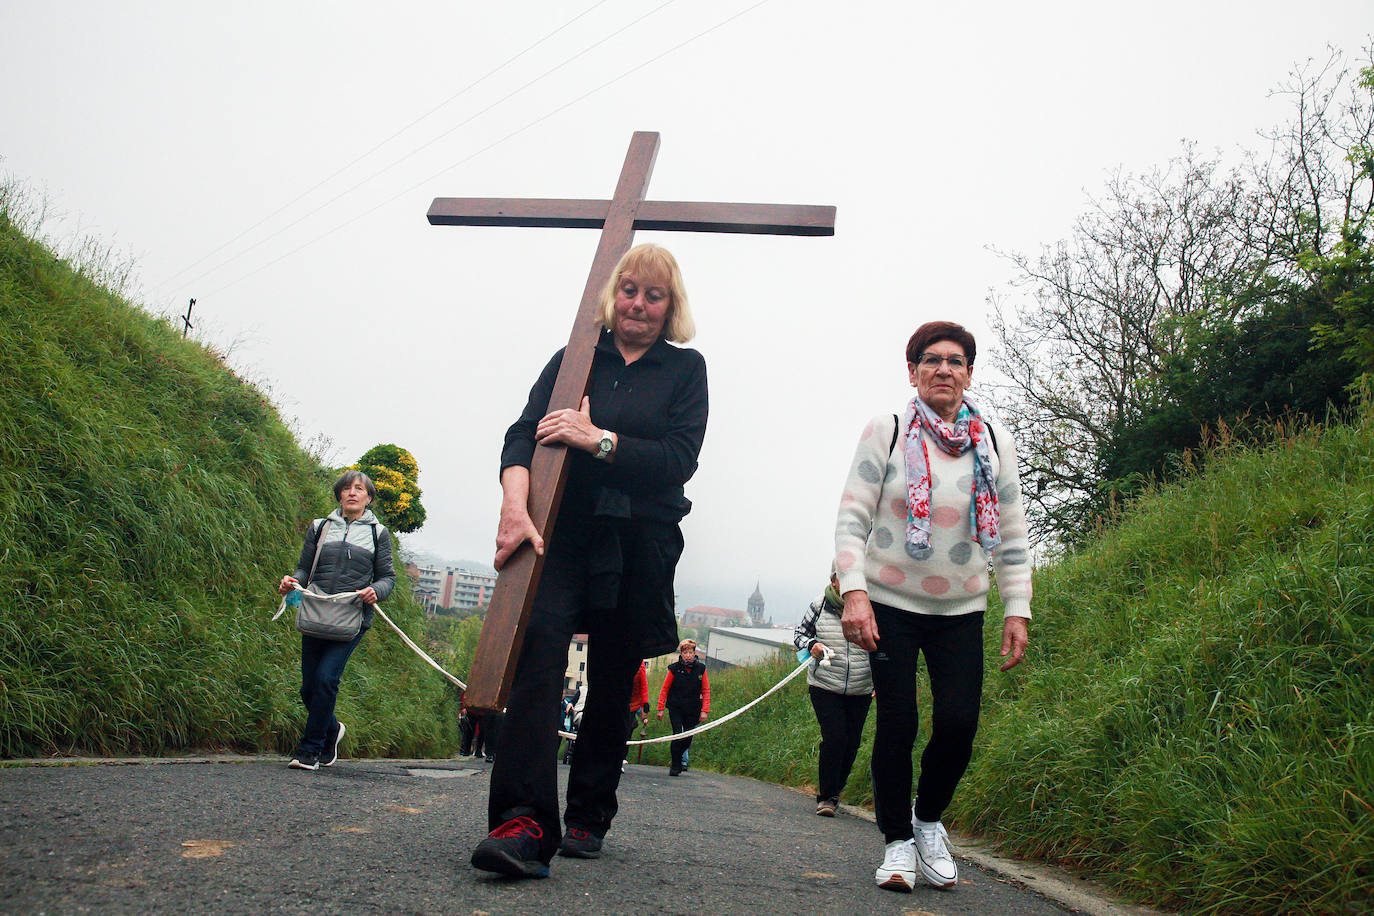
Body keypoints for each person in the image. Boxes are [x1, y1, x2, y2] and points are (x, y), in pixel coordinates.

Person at [469, 243, 708, 879]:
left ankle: (590, 812)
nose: (638, 304)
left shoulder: (686, 371)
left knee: (611, 679)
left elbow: (676, 460)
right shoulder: (573, 359)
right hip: (561, 532)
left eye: (653, 295)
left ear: (669, 306)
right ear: (612, 294)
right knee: (538, 654)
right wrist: (513, 505)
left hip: (641, 541)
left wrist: (596, 439)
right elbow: (524, 433)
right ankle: (522, 821)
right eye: (629, 289)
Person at [834, 321, 1031, 893]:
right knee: (898, 720)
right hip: (890, 603)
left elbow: (1013, 535)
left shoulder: (992, 441)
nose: (943, 369)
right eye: (930, 359)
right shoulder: (888, 430)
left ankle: (927, 821)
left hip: (962, 608)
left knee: (958, 722)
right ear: (913, 371)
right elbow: (852, 518)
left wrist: (1016, 608)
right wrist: (855, 592)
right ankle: (896, 843)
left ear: (969, 373)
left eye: (956, 360)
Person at [277, 470, 395, 772]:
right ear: (339, 495)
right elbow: (306, 569)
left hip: (350, 618)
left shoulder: (377, 534)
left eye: (359, 489)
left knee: (326, 680)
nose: (352, 493)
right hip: (316, 612)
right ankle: (331, 730)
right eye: (346, 488)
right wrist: (292, 581)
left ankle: (310, 751)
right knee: (308, 689)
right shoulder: (320, 527)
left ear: (369, 498)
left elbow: (387, 578)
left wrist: (375, 591)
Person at [792, 564, 873, 817]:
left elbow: (884, 644)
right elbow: (799, 635)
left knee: (852, 743)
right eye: (843, 578)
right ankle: (826, 797)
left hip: (861, 686)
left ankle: (836, 790)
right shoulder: (820, 605)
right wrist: (812, 645)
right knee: (835, 738)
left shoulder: (871, 607)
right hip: (825, 684)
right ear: (834, 580)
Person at [655, 639, 710, 776]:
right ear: (681, 653)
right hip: (676, 707)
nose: (688, 655)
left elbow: (706, 690)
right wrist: (660, 708)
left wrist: (704, 711)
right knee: (677, 735)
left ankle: (679, 759)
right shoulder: (674, 669)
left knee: (687, 737)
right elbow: (665, 689)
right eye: (685, 652)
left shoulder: (701, 669)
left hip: (693, 709)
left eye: (690, 652)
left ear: (694, 653)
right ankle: (675, 765)